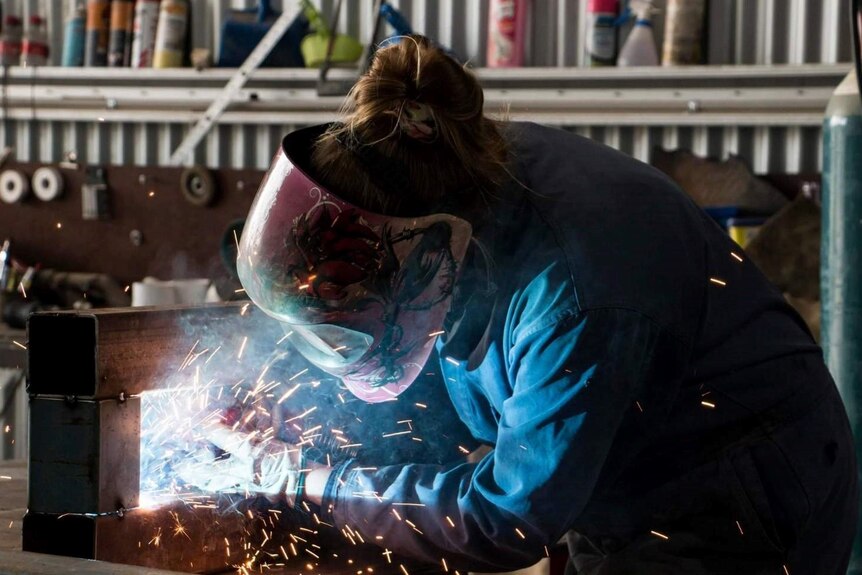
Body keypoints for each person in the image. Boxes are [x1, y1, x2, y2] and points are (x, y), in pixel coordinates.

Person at [188, 36, 858, 574]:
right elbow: (445, 372)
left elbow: (505, 517)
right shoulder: (449, 180)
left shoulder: (574, 296)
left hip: (737, 495)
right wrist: (309, 424)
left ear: (425, 265)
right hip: (618, 475)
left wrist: (308, 479)